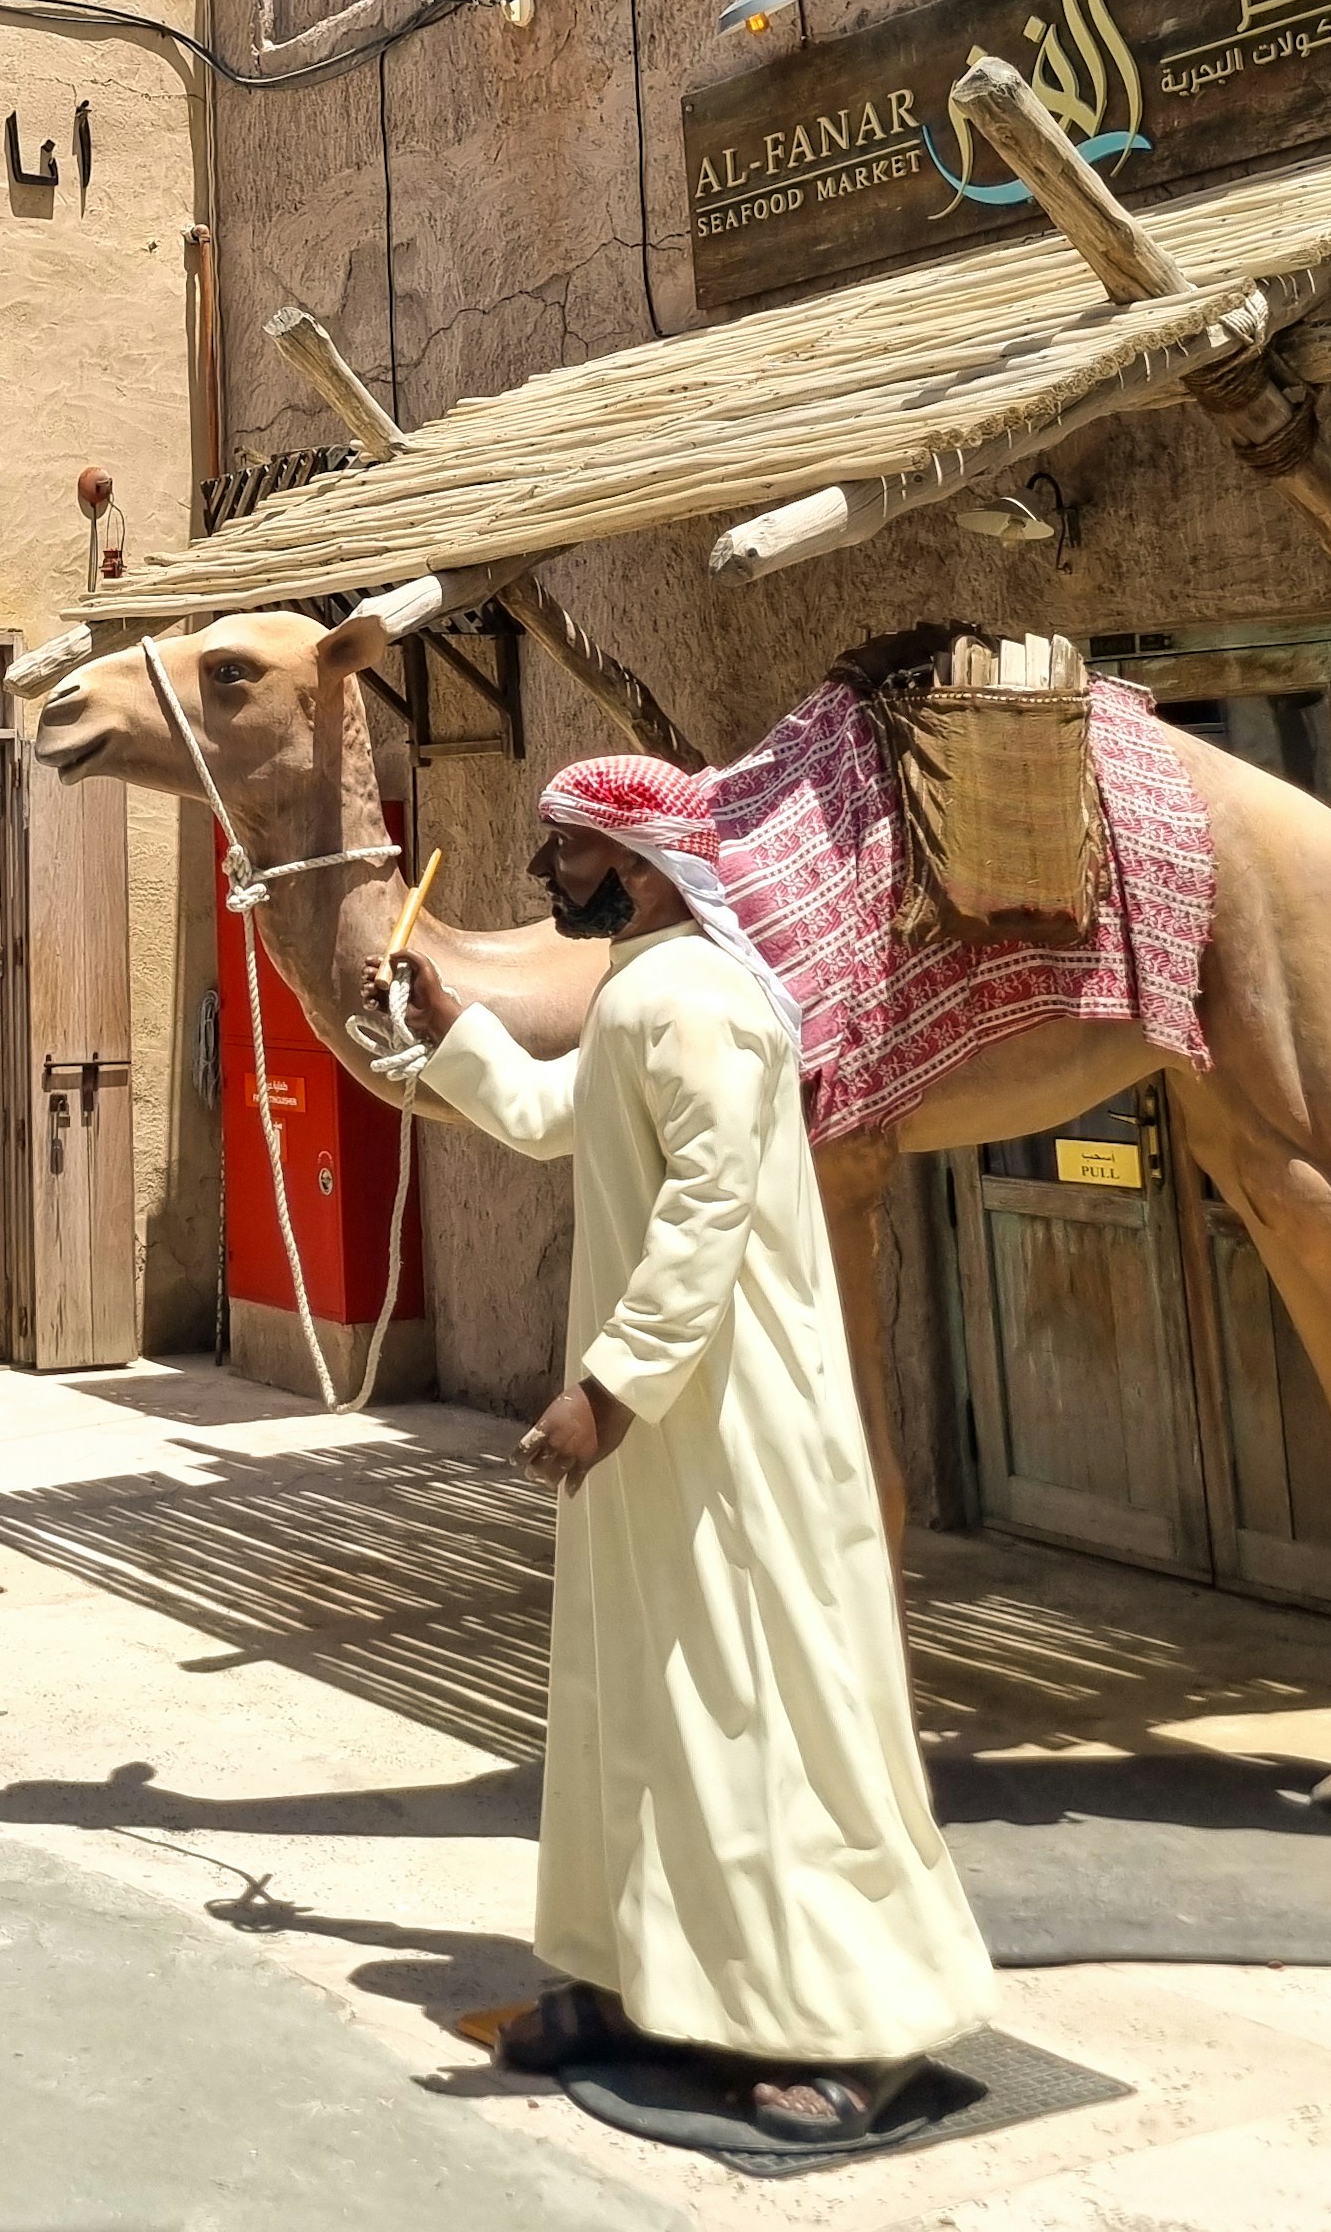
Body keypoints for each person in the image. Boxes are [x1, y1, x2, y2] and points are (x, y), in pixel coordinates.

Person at [377, 750, 991, 2145]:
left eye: (568, 853)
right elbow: (549, 1117)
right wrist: (448, 1020)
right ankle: (613, 1981)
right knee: (629, 1702)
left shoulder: (702, 1002)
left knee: (756, 1706)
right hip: (658, 1436)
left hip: (732, 1435)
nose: (545, 876)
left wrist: (612, 1388)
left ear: (642, 867)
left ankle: (840, 2022)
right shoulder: (640, 994)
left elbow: (705, 1214)